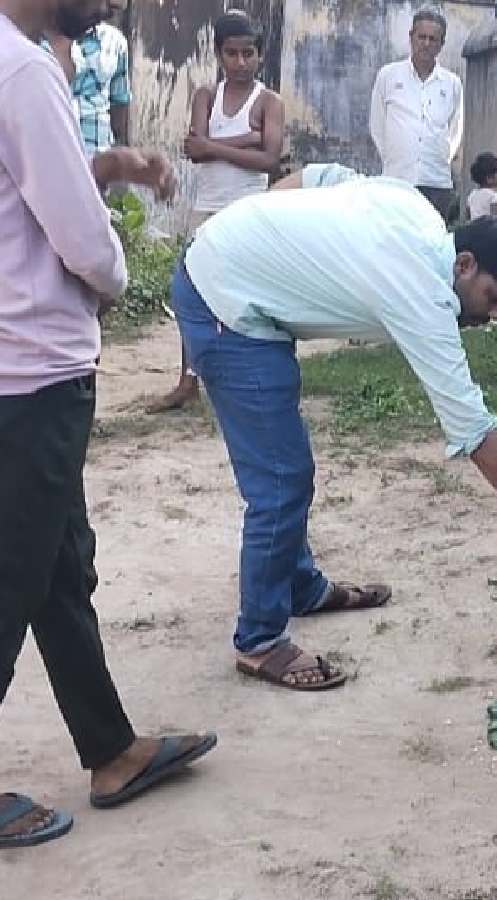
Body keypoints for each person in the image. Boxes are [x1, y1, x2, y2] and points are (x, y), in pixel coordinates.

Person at [171, 176, 497, 692]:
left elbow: (320, 177)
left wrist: (261, 229)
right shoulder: (421, 293)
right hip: (224, 303)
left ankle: (298, 587)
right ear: (464, 265)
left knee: (290, 467)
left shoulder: (419, 213)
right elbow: (473, 431)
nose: (494, 316)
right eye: (493, 299)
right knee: (279, 480)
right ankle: (259, 642)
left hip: (235, 268)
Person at [0, 0, 215, 849]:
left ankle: (113, 750)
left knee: (57, 568)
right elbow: (85, 244)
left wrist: (108, 161)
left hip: (14, 365)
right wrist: (116, 276)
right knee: (14, 577)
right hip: (32, 370)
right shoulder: (24, 72)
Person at [147, 9, 285, 413]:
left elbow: (270, 160)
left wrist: (218, 146)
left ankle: (254, 377)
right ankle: (188, 380)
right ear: (218, 54)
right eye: (231, 54)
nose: (240, 63)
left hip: (249, 212)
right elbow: (195, 152)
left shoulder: (268, 101)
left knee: (253, 296)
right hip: (206, 209)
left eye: (248, 54)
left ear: (260, 55)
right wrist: (248, 139)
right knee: (192, 293)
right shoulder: (206, 96)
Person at [369, 8, 462, 223]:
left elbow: (455, 131)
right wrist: (395, 160)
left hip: (436, 183)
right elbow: (378, 126)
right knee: (394, 240)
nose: (426, 43)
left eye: (433, 39)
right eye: (422, 37)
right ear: (411, 37)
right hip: (397, 180)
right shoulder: (388, 76)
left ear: (441, 44)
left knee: (432, 245)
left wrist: (440, 159)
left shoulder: (452, 83)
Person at [43, 0, 130, 155]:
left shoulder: (114, 42)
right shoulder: (24, 44)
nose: (107, 11)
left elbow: (120, 106)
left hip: (96, 168)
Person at [467, 151, 497, 220]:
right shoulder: (493, 196)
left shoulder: (472, 195)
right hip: (488, 230)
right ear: (489, 178)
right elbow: (495, 220)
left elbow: (468, 217)